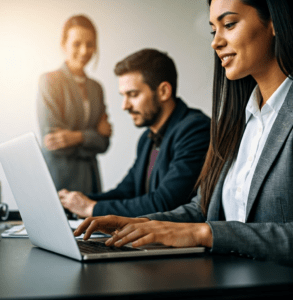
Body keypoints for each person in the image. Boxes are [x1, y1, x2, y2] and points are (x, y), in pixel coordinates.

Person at [74, 0, 293, 263]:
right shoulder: (234, 123)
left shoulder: (195, 128)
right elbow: (201, 211)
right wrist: (135, 223)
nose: (216, 42)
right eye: (213, 30)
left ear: (273, 23)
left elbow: (204, 226)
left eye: (229, 24)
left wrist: (205, 233)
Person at [59, 49, 211, 218]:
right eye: (123, 96)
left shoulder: (196, 130)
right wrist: (72, 203)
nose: (125, 106)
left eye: (133, 95)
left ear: (163, 92)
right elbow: (126, 192)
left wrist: (92, 209)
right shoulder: (147, 139)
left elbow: (165, 203)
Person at [37, 15, 112, 195]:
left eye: (90, 44)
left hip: (91, 181)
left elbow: (103, 143)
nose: (85, 51)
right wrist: (91, 136)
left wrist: (75, 137)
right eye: (77, 44)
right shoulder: (49, 81)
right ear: (64, 45)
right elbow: (54, 141)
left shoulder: (96, 88)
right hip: (61, 178)